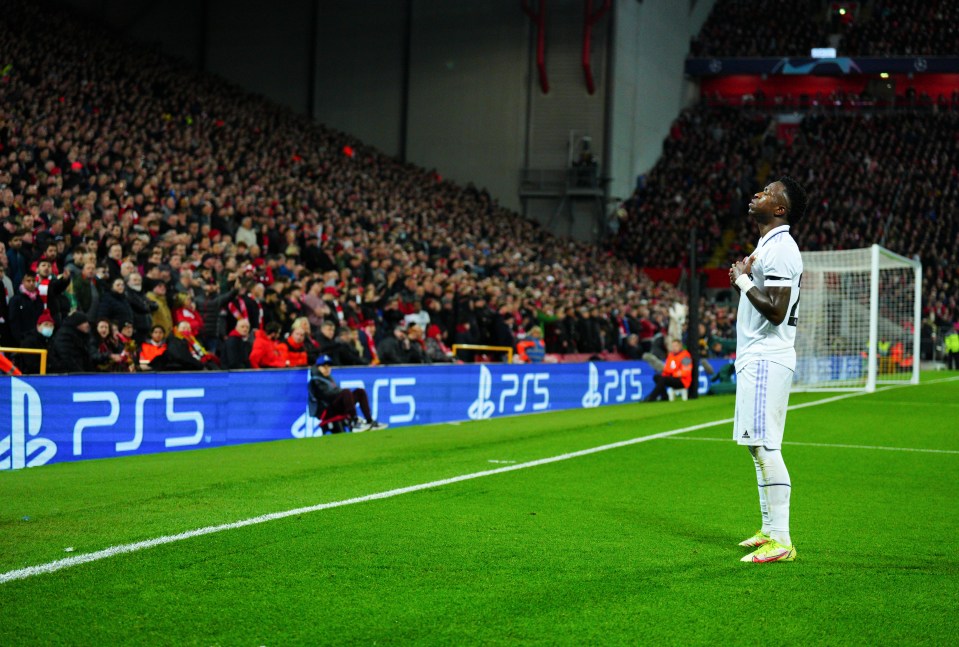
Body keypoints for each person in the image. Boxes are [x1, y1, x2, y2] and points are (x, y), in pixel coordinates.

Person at [728, 176, 807, 564]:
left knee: (764, 446)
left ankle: (782, 539)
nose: (757, 193)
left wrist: (741, 279)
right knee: (756, 447)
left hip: (766, 356)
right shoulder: (768, 245)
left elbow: (776, 311)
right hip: (758, 356)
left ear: (780, 209)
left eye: (768, 192)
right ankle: (769, 529)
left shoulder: (781, 248)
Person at [308, 354, 387, 432]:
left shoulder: (328, 378)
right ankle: (354, 421)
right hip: (325, 410)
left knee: (360, 392)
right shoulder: (315, 380)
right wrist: (341, 393)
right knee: (346, 392)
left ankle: (369, 421)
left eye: (329, 366)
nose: (327, 369)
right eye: (324, 366)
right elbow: (326, 395)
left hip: (333, 406)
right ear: (318, 367)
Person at [15, 310, 56, 374]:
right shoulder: (29, 341)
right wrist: (52, 367)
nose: (49, 327)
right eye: (46, 324)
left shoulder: (51, 340)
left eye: (51, 325)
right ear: (38, 326)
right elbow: (31, 365)